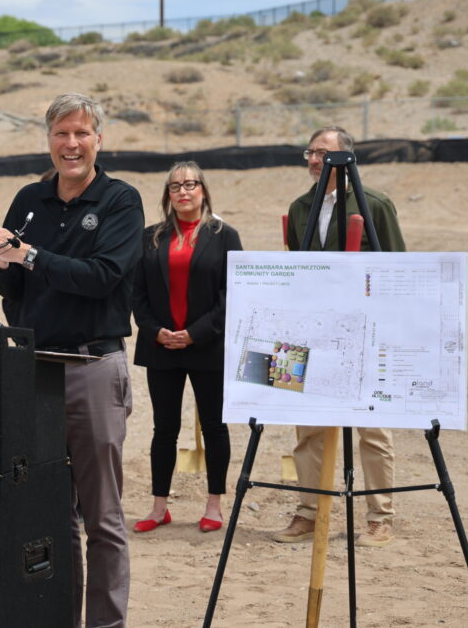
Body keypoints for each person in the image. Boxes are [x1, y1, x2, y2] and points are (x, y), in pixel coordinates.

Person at [0, 93, 143, 628]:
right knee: (52, 516)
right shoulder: (29, 199)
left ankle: (106, 624)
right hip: (35, 373)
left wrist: (27, 254)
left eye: (81, 133)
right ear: (48, 140)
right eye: (61, 134)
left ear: (99, 139)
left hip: (93, 369)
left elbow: (103, 278)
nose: (71, 144)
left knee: (102, 518)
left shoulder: (121, 200)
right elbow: (11, 289)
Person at [272, 125, 406, 548]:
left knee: (372, 428)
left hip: (364, 333)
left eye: (323, 153)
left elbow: (396, 266)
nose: (315, 160)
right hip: (312, 333)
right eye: (310, 153)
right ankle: (309, 512)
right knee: (309, 429)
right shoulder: (300, 207)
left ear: (346, 158)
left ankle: (379, 516)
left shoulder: (374, 205)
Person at [130, 161, 242, 535]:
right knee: (164, 429)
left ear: (203, 190)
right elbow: (137, 294)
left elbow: (232, 294)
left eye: (190, 184)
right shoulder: (151, 237)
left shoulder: (224, 235)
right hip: (161, 346)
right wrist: (155, 331)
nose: (183, 191)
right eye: (175, 186)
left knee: (214, 427)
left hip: (207, 345)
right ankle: (159, 507)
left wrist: (195, 333)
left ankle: (213, 505)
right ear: (168, 195)